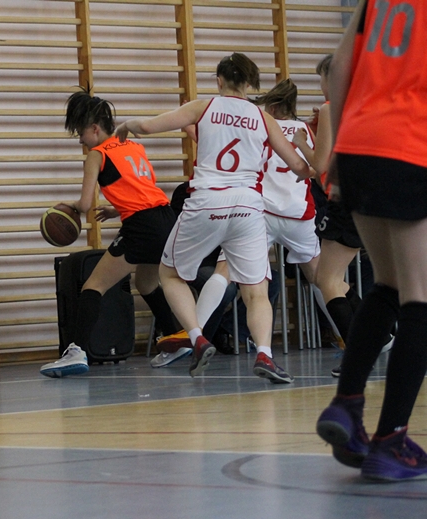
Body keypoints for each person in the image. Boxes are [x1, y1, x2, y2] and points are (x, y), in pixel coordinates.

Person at [115, 52, 312, 384]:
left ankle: (197, 338)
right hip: (249, 207)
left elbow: (148, 126)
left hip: (208, 201)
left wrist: (126, 126)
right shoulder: (264, 118)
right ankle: (265, 354)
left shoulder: (203, 107)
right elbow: (300, 168)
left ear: (219, 80)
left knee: (169, 274)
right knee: (257, 290)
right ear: (249, 83)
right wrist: (312, 157)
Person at [315, 0, 427, 482]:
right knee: (420, 297)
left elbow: (342, 64)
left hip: (359, 140)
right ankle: (391, 439)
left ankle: (346, 403)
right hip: (411, 145)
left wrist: (340, 144)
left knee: (388, 283)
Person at [40, 89, 178, 378]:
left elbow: (85, 204)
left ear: (94, 128)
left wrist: (67, 208)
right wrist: (118, 209)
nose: (80, 140)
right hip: (166, 220)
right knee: (146, 283)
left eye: (80, 133)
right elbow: (142, 189)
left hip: (141, 227)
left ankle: (76, 351)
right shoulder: (133, 146)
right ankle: (175, 340)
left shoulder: (96, 155)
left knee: (93, 286)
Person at [292, 55, 388, 378]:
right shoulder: (367, 106)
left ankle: (358, 356)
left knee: (327, 280)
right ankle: (380, 337)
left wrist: (301, 143)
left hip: (344, 198)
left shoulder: (332, 107)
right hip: (372, 198)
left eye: (321, 78)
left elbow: (320, 165)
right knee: (332, 276)